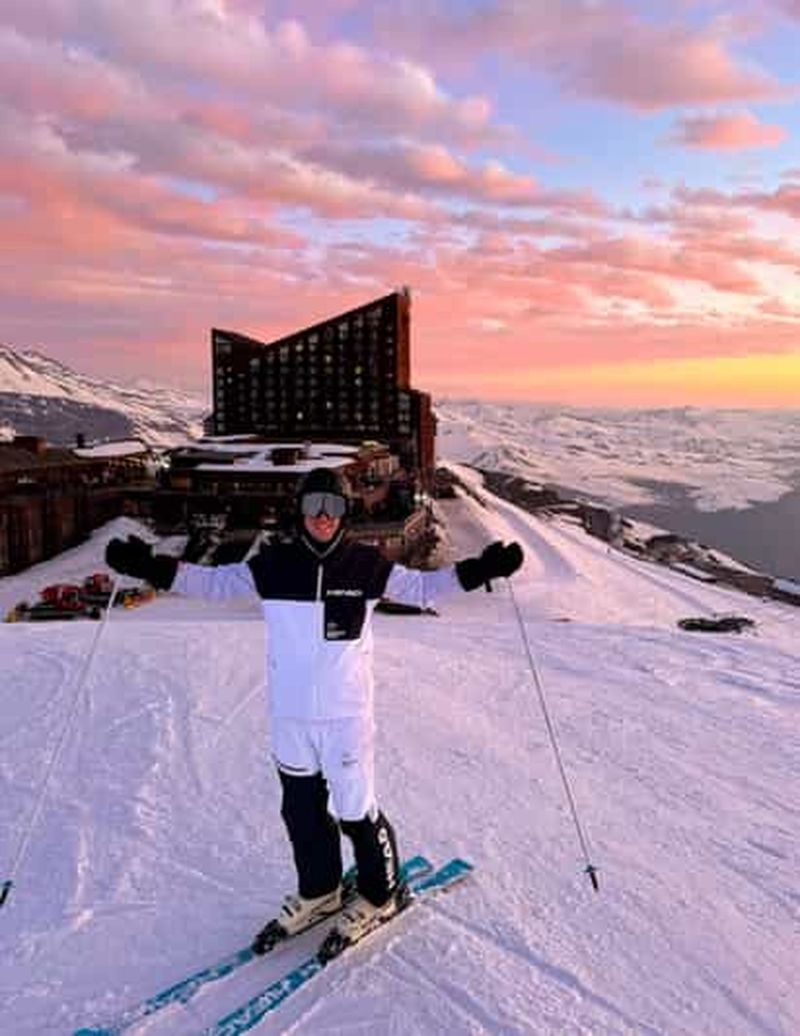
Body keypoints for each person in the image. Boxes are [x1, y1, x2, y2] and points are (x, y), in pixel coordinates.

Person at [105, 467, 523, 949]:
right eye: (313, 507)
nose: (323, 518)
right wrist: (148, 566)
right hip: (290, 715)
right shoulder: (274, 564)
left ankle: (379, 893)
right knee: (301, 811)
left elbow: (422, 589)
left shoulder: (365, 565)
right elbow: (214, 583)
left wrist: (482, 569)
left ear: (346, 513)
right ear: (299, 512)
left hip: (346, 717)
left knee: (354, 810)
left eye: (334, 507)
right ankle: (320, 892)